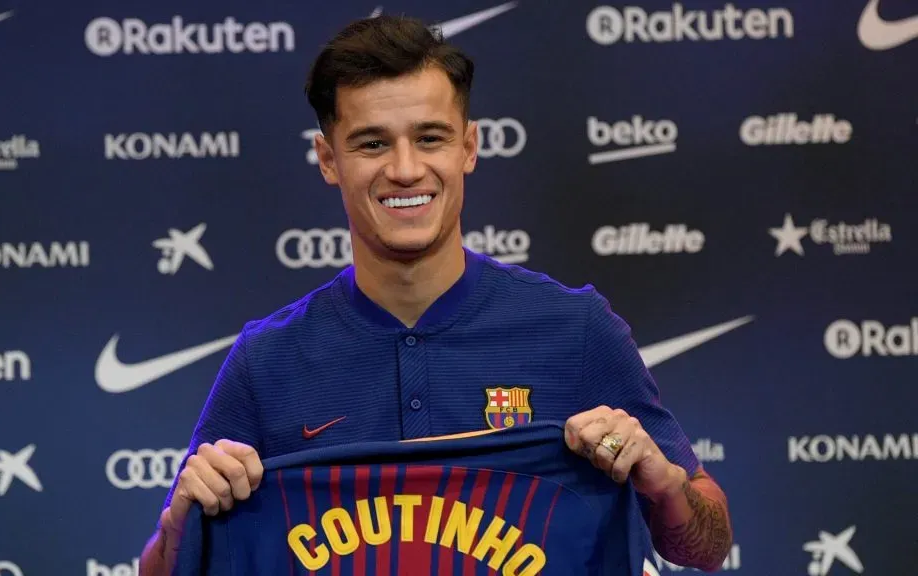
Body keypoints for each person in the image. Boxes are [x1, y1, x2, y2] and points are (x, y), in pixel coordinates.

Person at [139, 14, 732, 575]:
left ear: (468, 147)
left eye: (430, 137)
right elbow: (164, 568)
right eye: (371, 143)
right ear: (327, 159)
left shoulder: (575, 328)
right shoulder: (267, 361)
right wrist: (181, 519)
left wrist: (661, 480)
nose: (404, 169)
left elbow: (707, 546)